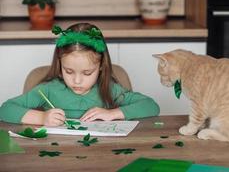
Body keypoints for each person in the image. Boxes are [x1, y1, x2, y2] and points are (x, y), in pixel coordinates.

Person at [0, 23, 160, 126]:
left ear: (101, 67)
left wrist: (112, 114)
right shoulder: (48, 90)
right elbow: (5, 109)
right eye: (69, 71)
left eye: (87, 73)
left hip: (101, 155)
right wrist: (42, 119)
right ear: (59, 63)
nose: (77, 80)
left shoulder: (109, 90)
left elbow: (151, 106)